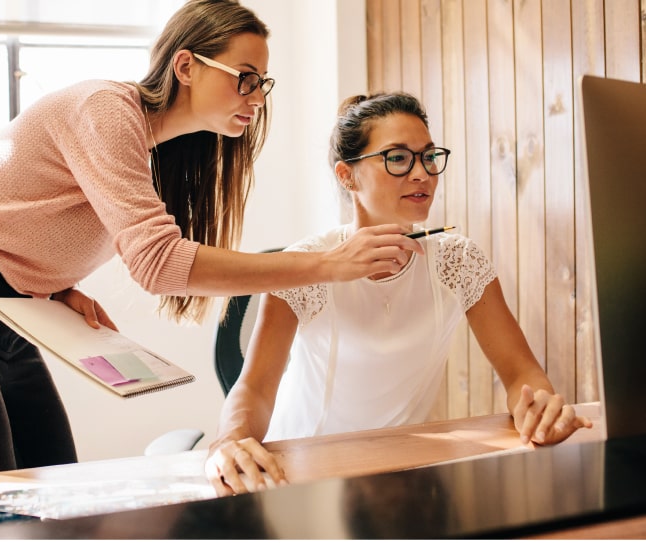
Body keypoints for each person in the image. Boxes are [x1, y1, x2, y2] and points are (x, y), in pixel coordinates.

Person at [0, 0, 420, 474]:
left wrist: (54, 285)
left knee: (55, 491)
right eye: (244, 77)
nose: (256, 96)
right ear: (185, 65)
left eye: (263, 83)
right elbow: (158, 264)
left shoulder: (154, 148)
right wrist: (327, 263)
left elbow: (26, 214)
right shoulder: (106, 109)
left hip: (10, 312)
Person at [204, 91, 593, 496]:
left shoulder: (459, 263)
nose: (422, 173)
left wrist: (540, 406)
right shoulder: (305, 264)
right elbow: (254, 388)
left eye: (428, 156)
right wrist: (229, 439)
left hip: (400, 471)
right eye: (398, 158)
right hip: (300, 470)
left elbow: (521, 373)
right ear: (347, 175)